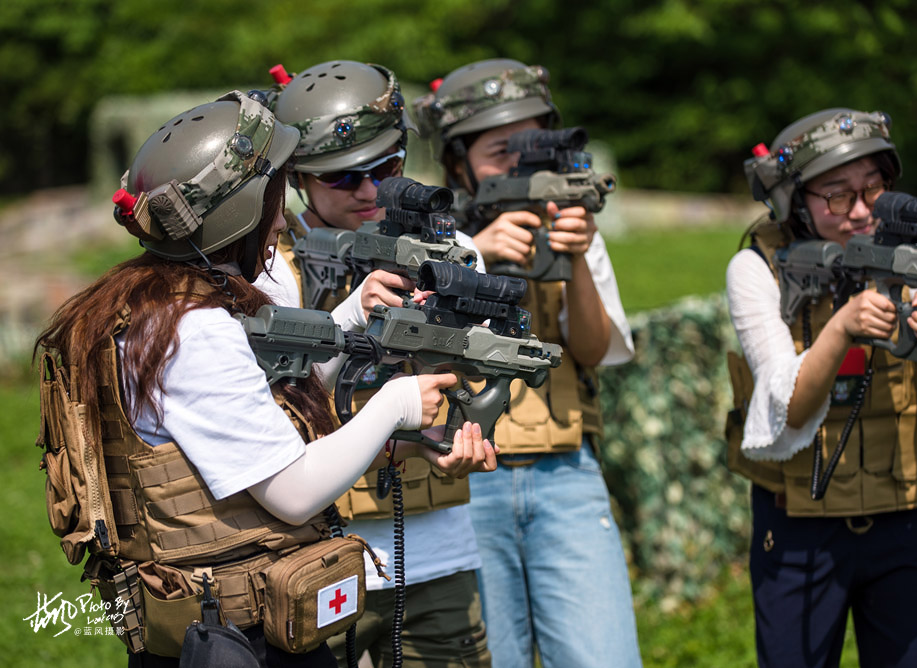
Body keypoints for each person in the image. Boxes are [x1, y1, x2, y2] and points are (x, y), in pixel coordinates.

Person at [35, 91, 493, 668]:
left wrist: (355, 318)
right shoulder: (195, 331)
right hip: (240, 637)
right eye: (273, 203)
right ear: (241, 213)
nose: (282, 219)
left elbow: (261, 409)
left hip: (210, 626)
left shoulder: (154, 304)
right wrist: (395, 404)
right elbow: (293, 492)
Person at [728, 108, 917, 667]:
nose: (860, 211)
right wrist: (844, 326)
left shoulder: (907, 251)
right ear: (795, 200)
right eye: (836, 195)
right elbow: (790, 408)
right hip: (799, 527)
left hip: (904, 519)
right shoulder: (757, 266)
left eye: (874, 189)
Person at [258, 60, 495, 667]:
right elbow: (271, 413)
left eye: (386, 168)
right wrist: (349, 316)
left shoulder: (452, 251)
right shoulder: (267, 268)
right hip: (307, 559)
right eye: (342, 179)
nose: (368, 191)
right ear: (298, 181)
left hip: (435, 554)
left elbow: (480, 377)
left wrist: (463, 436)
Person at [414, 58, 642, 668]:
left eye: (534, 146)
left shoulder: (567, 224)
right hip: (463, 485)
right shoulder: (428, 242)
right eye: (499, 151)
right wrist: (472, 256)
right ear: (457, 159)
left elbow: (595, 351)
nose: (521, 165)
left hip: (564, 469)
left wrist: (578, 259)